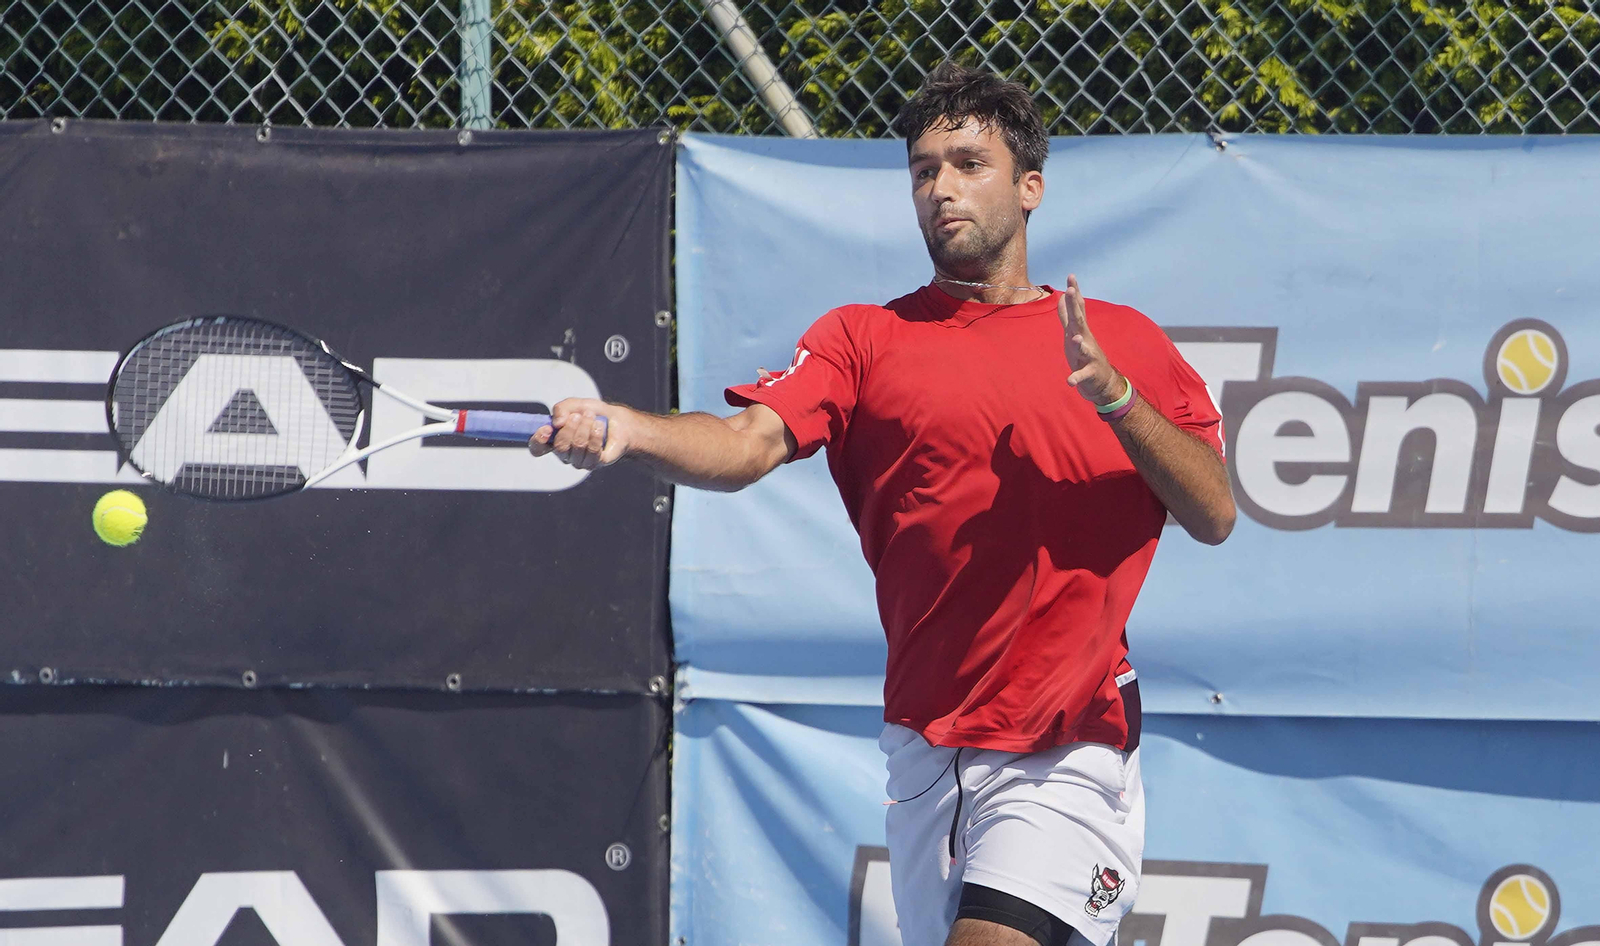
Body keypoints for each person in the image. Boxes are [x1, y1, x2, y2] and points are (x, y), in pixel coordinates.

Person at [531, 61, 1235, 946]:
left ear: (1030, 187)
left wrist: (1117, 398)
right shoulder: (862, 339)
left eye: (969, 164)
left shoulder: (1120, 342)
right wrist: (630, 428)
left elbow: (1214, 512)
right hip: (925, 749)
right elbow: (746, 444)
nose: (942, 188)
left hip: (1068, 744)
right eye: (924, 170)